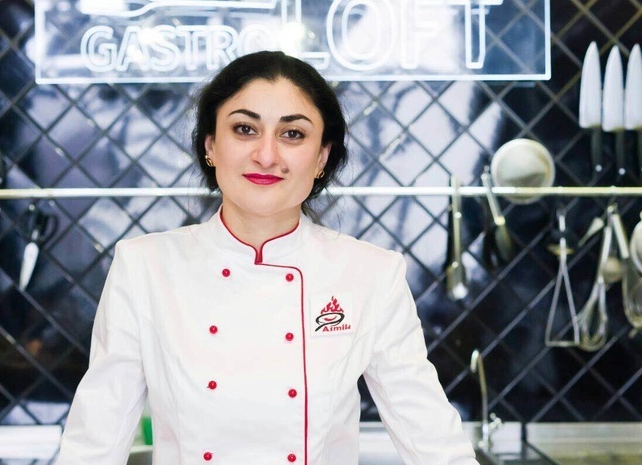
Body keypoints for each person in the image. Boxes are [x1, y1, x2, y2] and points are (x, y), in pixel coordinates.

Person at [55, 51, 478, 465]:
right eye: (245, 129)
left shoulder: (370, 274)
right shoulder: (144, 267)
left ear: (322, 157)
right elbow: (95, 442)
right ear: (211, 145)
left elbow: (432, 439)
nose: (267, 155)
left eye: (292, 134)